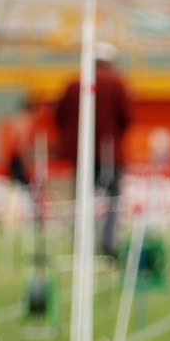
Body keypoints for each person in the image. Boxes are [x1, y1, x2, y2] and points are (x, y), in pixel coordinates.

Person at [54, 40, 134, 261]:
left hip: (82, 155)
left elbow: (59, 118)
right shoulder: (117, 85)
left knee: (82, 199)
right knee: (113, 199)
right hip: (110, 154)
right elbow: (127, 118)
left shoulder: (73, 85)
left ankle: (82, 241)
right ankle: (107, 243)